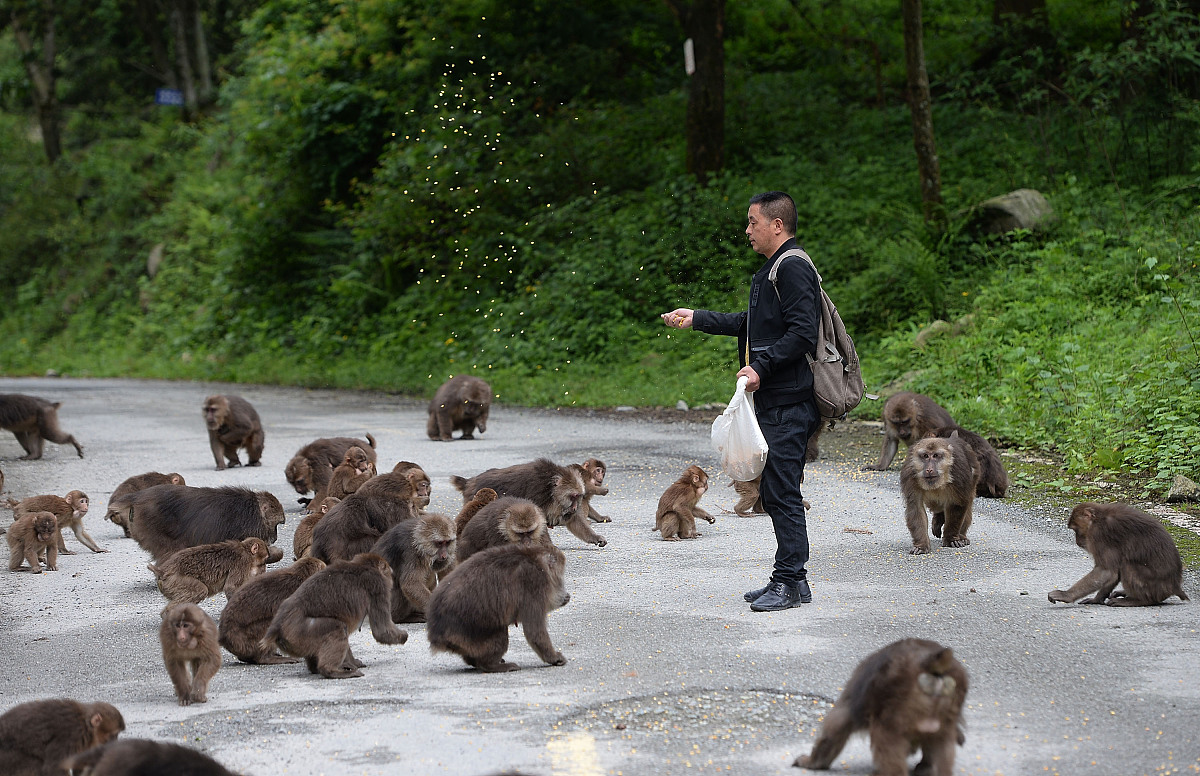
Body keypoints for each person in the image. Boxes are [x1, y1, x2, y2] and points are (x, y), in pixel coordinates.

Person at [661, 191, 820, 612]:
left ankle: (788, 581)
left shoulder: (792, 267)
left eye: (753, 222)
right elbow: (753, 325)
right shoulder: (772, 269)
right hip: (774, 401)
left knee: (781, 492)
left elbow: (803, 332)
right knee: (776, 490)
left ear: (777, 225)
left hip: (789, 401)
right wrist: (698, 318)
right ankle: (795, 581)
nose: (747, 230)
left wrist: (760, 367)